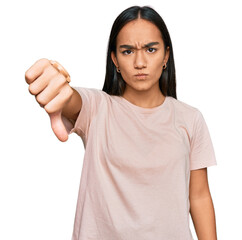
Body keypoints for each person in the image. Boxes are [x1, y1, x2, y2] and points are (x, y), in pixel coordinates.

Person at [25, 5, 218, 240]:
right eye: (127, 51)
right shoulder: (98, 108)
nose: (139, 62)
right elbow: (73, 100)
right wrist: (57, 88)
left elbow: (198, 196)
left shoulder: (190, 118)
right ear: (115, 59)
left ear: (166, 55)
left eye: (150, 49)